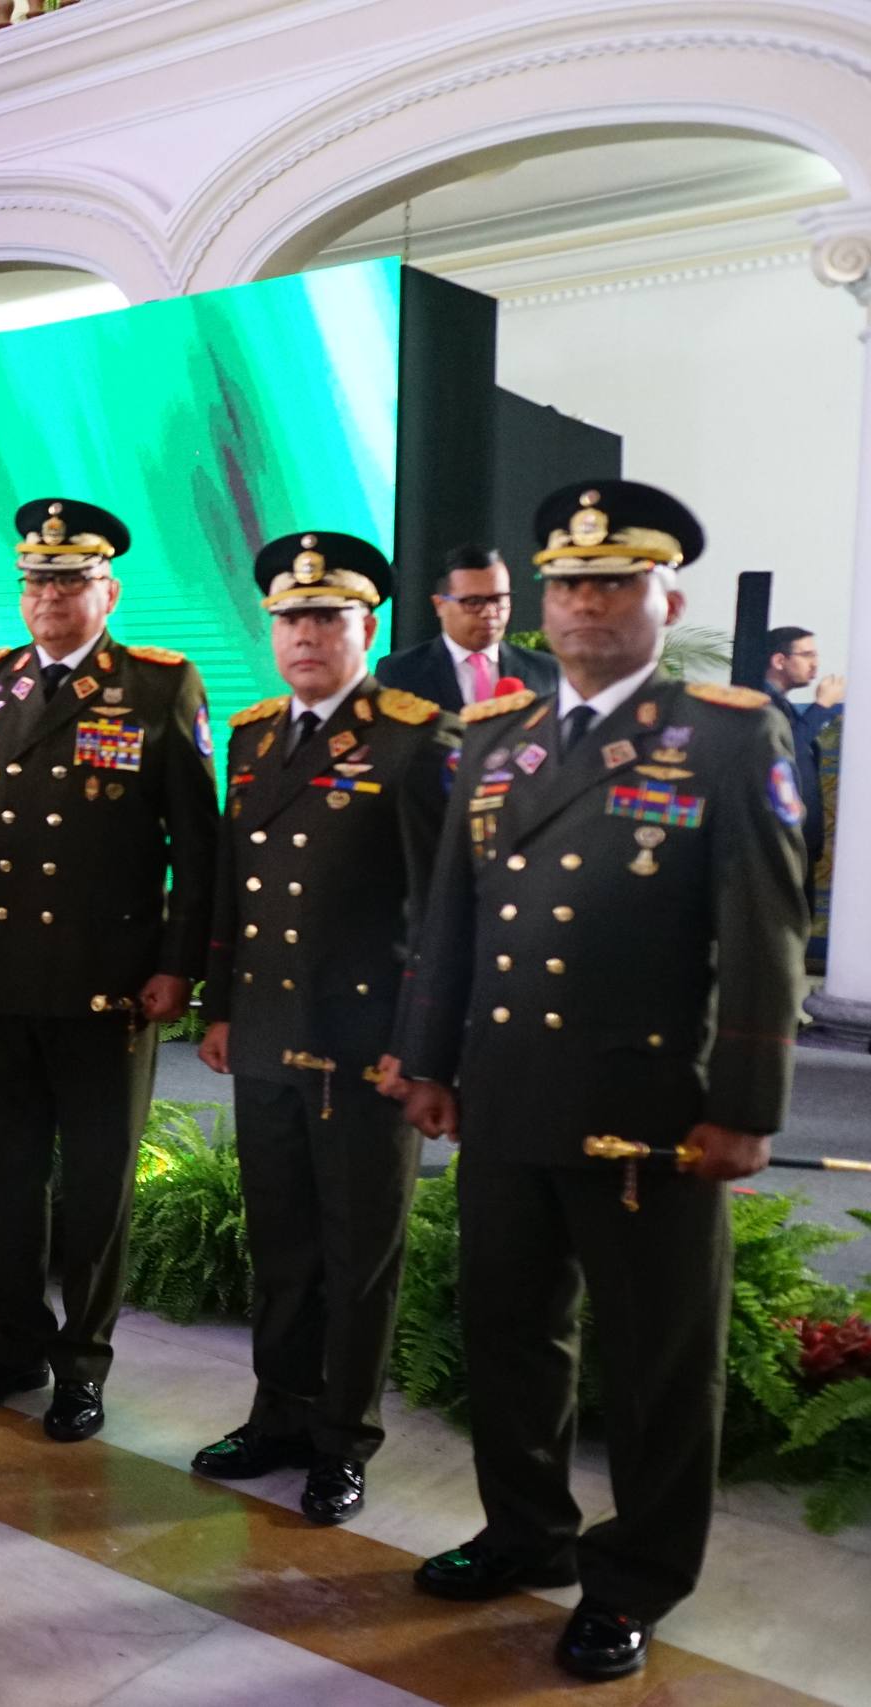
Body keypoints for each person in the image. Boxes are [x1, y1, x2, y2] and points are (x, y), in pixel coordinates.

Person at [394, 480, 806, 1683]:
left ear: (662, 597)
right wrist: (427, 1065)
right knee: (509, 1335)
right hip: (508, 1097)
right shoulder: (496, 736)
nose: (586, 604)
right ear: (542, 604)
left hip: (651, 1117)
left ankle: (635, 1578)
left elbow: (764, 938)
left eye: (613, 582)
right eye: (568, 583)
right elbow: (451, 921)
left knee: (654, 1361)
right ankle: (526, 1533)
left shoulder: (726, 732)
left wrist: (742, 1110)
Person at [0, 499, 218, 1442]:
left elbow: (198, 851)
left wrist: (179, 968)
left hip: (107, 991)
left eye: (69, 580)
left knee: (94, 1193)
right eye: (35, 580)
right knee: (4, 1183)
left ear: (108, 590)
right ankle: (12, 1347)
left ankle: (81, 1365)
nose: (48, 596)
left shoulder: (160, 688)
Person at [193, 532, 457, 1527]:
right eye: (288, 619)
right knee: (283, 1245)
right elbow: (230, 888)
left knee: (358, 1254)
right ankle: (277, 1415)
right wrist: (219, 1006)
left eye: (324, 617)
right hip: (264, 1034)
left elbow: (440, 908)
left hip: (365, 1050)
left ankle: (342, 1440)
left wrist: (419, 1047)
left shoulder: (415, 736)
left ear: (366, 627)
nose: (303, 635)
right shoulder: (255, 736)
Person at [376, 544, 559, 709]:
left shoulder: (545, 670)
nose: (489, 612)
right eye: (473, 602)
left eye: (498, 599)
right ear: (440, 605)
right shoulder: (399, 673)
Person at [763, 624, 827, 871]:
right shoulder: (761, 704)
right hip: (779, 843)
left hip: (800, 841)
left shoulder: (783, 704)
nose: (816, 664)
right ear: (779, 661)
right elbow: (787, 751)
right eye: (807, 655)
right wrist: (821, 708)